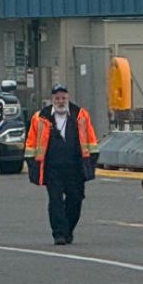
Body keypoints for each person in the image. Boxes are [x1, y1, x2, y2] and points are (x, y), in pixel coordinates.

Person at [25, 84, 99, 245]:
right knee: (55, 200)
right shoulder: (40, 118)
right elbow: (31, 143)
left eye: (63, 98)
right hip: (52, 168)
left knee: (76, 199)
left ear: (68, 98)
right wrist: (32, 164)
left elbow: (90, 139)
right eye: (57, 98)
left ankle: (68, 230)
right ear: (51, 100)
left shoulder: (80, 115)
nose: (60, 101)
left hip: (75, 168)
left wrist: (91, 160)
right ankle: (59, 234)